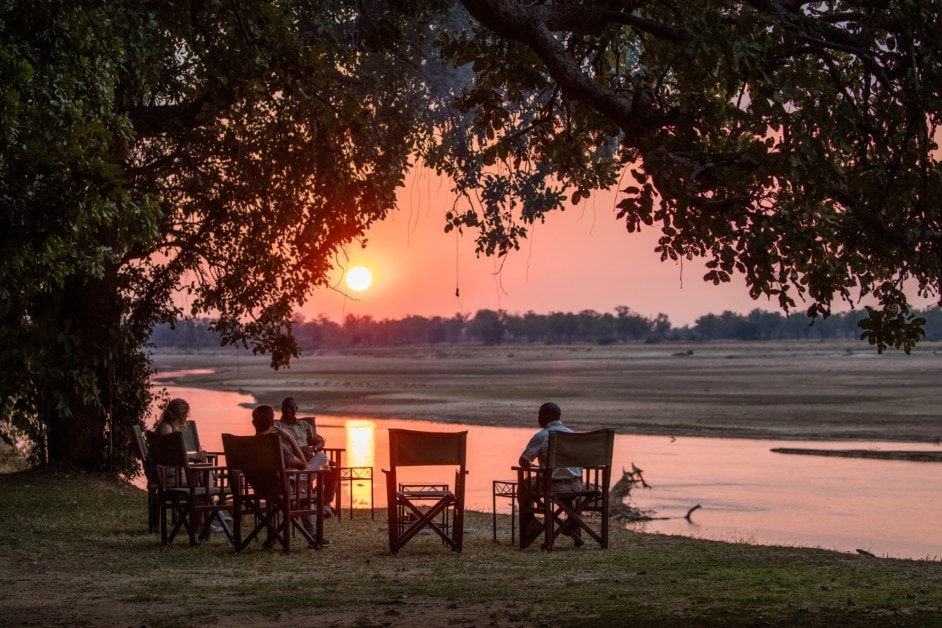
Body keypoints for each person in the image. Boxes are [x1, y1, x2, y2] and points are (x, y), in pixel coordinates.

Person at [251, 404, 329, 547]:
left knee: (306, 480)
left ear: (253, 423)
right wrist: (290, 438)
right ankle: (313, 536)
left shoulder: (246, 445)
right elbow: (303, 465)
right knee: (322, 460)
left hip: (261, 487)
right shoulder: (276, 445)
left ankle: (304, 483)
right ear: (272, 422)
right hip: (285, 487)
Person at [518, 402, 584, 548]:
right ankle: (572, 521)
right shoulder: (572, 435)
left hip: (553, 487)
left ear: (546, 417)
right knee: (562, 486)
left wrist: (531, 466)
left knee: (523, 487)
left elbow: (523, 460)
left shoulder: (542, 436)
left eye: (539, 415)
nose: (538, 419)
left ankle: (531, 523)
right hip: (576, 486)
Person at [274, 397, 338, 515]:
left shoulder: (304, 425)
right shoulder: (277, 426)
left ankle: (323, 500)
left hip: (309, 464)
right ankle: (312, 497)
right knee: (324, 469)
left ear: (296, 409)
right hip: (291, 464)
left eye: (291, 407)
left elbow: (319, 440)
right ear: (281, 409)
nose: (288, 410)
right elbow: (272, 445)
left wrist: (312, 448)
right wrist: (294, 450)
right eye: (285, 407)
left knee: (330, 467)